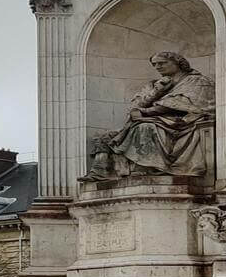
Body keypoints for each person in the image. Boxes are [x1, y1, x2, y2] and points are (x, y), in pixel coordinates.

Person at [81, 51, 215, 181]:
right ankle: (99, 171)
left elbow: (186, 104)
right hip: (154, 119)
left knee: (145, 127)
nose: (158, 67)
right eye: (155, 64)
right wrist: (156, 92)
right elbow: (135, 106)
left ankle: (146, 167)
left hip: (180, 121)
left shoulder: (197, 81)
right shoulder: (154, 84)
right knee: (106, 136)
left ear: (178, 63)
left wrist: (146, 112)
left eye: (162, 63)